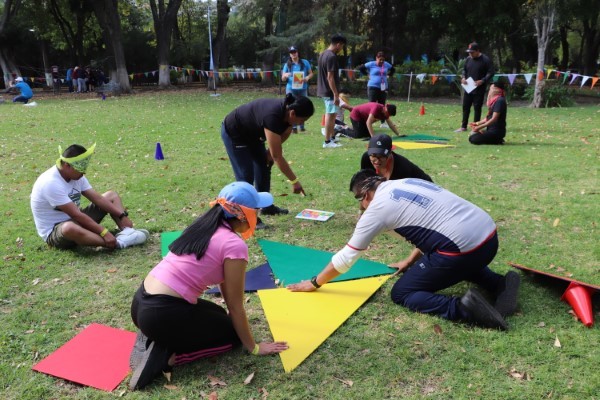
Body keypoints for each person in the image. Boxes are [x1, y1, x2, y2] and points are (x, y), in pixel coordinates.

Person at [288, 169, 520, 330]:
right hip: (488, 236)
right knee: (448, 253)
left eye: (359, 200)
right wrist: (409, 263)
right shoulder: (406, 182)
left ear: (366, 194)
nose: (360, 206)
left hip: (464, 250)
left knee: (402, 293)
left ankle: (465, 309)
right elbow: (431, 232)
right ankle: (499, 283)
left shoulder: (376, 208)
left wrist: (315, 282)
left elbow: (346, 258)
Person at [129, 182, 289, 390]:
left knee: (220, 315)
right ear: (243, 215)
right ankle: (166, 358)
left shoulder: (203, 226)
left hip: (141, 303)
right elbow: (236, 306)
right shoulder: (234, 245)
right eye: (256, 210)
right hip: (162, 313)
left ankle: (155, 335)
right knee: (233, 337)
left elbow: (226, 291)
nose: (259, 214)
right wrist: (254, 347)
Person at [30, 143, 149, 250]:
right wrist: (104, 233)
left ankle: (128, 232)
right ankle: (118, 243)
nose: (83, 174)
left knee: (111, 196)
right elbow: (76, 214)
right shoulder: (51, 183)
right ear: (67, 165)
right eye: (80, 170)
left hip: (76, 220)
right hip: (57, 231)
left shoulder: (77, 176)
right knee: (69, 228)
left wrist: (121, 215)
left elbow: (97, 199)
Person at [220, 94, 313, 223]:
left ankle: (266, 206)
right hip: (235, 132)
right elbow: (277, 157)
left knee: (264, 165)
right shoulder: (272, 117)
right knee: (245, 176)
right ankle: (248, 217)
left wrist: (270, 151)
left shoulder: (287, 116)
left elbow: (285, 133)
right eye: (302, 120)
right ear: (292, 113)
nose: (302, 123)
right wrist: (294, 181)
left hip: (254, 134)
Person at [455, 42, 494, 133]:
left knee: (477, 108)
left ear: (477, 51)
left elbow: (491, 72)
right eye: (469, 52)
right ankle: (463, 126)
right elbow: (464, 70)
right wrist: (463, 77)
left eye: (472, 52)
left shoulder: (485, 60)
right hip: (468, 88)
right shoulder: (468, 59)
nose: (470, 54)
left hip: (479, 88)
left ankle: (475, 128)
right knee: (466, 107)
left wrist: (483, 80)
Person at [360, 134, 433, 181]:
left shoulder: (402, 167)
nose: (377, 161)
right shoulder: (366, 159)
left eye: (382, 156)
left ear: (390, 152)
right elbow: (365, 184)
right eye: (373, 156)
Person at [317, 33, 347, 148]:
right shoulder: (331, 56)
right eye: (342, 46)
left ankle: (332, 138)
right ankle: (327, 141)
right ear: (338, 44)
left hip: (324, 90)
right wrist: (335, 94)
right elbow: (330, 77)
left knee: (331, 115)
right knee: (330, 115)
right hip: (329, 92)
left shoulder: (323, 54)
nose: (341, 49)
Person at [281, 46, 314, 133]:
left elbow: (311, 74)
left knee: (304, 106)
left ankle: (302, 126)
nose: (293, 54)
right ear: (290, 54)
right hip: (291, 88)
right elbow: (282, 79)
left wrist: (307, 78)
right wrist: (285, 75)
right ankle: (293, 127)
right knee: (291, 107)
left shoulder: (305, 62)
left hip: (302, 88)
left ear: (297, 52)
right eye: (291, 52)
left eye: (294, 52)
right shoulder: (287, 64)